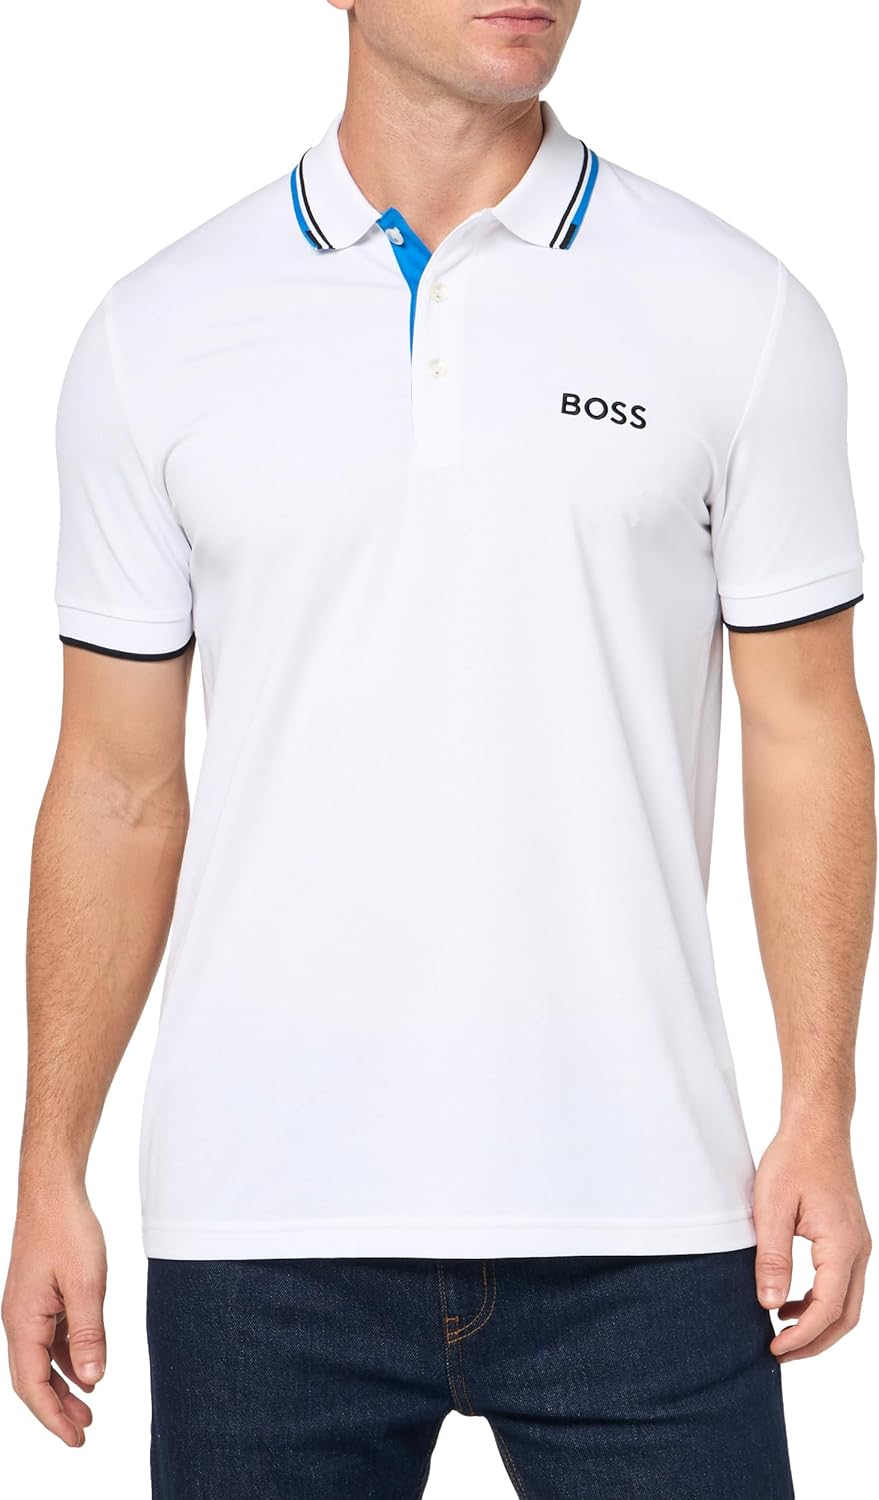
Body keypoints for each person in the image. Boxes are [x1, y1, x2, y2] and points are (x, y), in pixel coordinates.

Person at [3, 1, 874, 1495]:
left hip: (651, 1213)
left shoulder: (740, 312)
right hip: (263, 1232)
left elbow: (807, 729)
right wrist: (47, 1165)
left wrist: (821, 1109)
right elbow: (115, 788)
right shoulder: (156, 334)